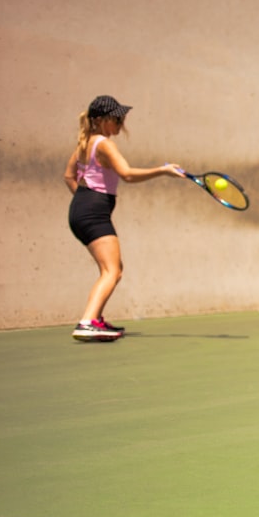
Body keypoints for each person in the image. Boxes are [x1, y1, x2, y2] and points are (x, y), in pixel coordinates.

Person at [63, 95, 184, 341]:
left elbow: (68, 176)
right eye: (116, 118)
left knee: (113, 269)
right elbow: (127, 174)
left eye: (122, 118)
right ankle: (87, 322)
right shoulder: (104, 144)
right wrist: (163, 170)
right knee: (112, 270)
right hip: (93, 212)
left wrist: (84, 199)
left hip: (81, 210)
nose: (120, 123)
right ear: (100, 121)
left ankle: (94, 319)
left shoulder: (84, 144)